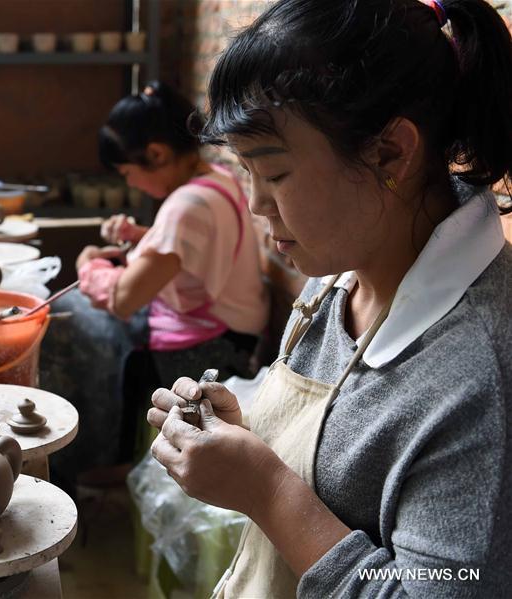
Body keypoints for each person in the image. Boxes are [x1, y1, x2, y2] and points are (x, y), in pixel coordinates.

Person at [148, 0, 512, 596]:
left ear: (390, 153)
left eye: (276, 174)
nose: (255, 205)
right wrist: (242, 438)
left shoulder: (481, 375)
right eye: (245, 171)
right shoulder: (341, 269)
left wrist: (264, 488)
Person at [40, 81, 269, 493]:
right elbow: (184, 248)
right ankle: (119, 456)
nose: (131, 185)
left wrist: (88, 264)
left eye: (129, 173)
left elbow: (125, 298)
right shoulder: (215, 178)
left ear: (157, 154)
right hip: (232, 329)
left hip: (211, 345)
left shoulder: (186, 205)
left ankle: (100, 460)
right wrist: (144, 235)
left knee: (79, 332)